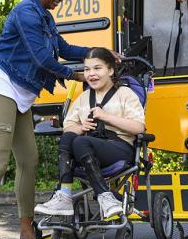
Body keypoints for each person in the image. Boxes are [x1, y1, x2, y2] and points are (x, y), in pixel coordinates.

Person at [0, 0, 93, 239]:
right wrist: (78, 76)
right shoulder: (26, 12)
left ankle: (27, 232)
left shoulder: (45, 17)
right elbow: (42, 58)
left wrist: (97, 53)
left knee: (29, 159)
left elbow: (62, 47)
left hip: (20, 92)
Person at [34, 47, 145, 219]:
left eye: (97, 68)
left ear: (110, 70)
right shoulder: (84, 97)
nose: (91, 74)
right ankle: (64, 195)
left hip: (118, 147)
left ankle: (104, 196)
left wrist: (106, 117)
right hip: (87, 149)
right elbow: (69, 126)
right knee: (71, 137)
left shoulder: (125, 94)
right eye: (86, 69)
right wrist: (80, 128)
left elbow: (138, 128)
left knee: (80, 142)